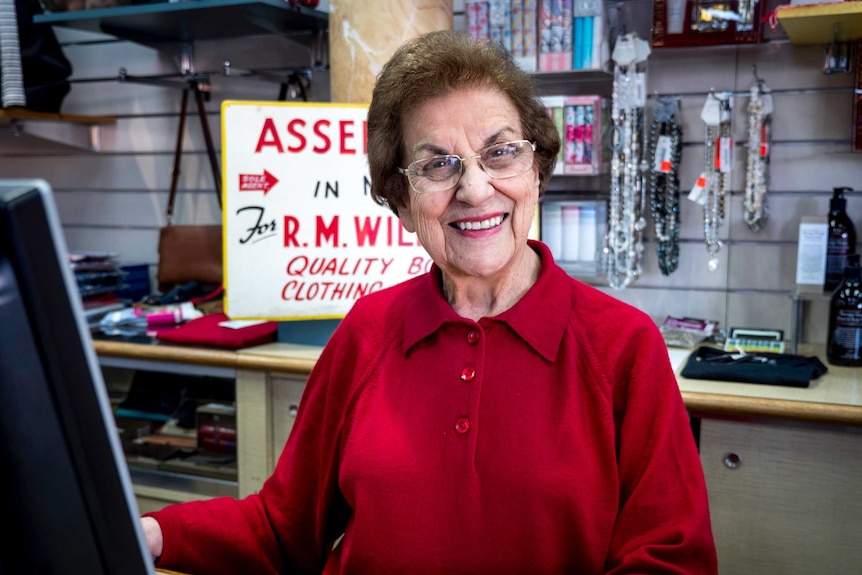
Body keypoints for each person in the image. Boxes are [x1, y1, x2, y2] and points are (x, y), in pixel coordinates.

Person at [142, 29, 718, 574]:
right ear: (402, 198)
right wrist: (150, 532)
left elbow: (672, 559)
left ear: (537, 167)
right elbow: (283, 530)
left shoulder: (622, 346)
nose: (473, 190)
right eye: (437, 165)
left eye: (500, 153)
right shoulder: (368, 332)